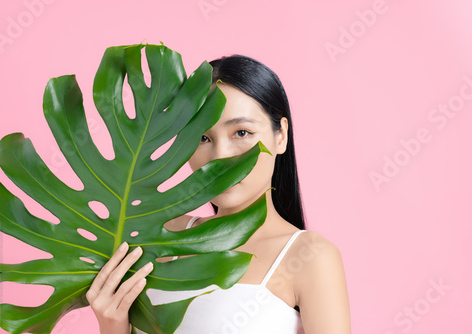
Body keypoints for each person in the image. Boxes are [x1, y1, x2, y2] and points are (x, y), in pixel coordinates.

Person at [85, 54, 351, 333]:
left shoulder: (310, 256)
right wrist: (112, 325)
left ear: (280, 135)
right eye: (202, 137)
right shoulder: (157, 236)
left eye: (241, 132)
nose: (220, 156)